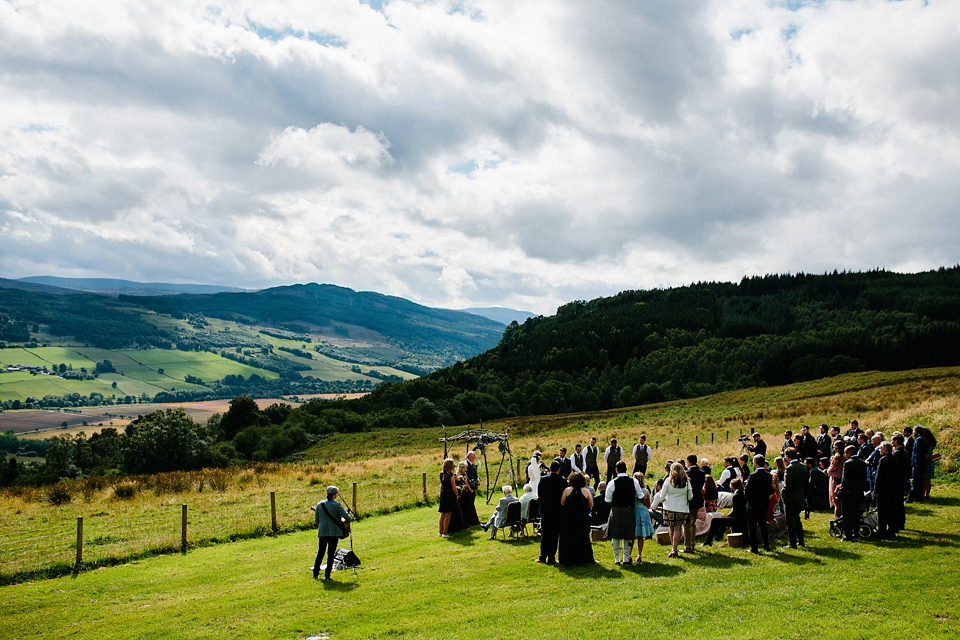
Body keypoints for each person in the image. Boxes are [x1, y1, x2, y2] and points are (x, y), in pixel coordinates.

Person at [604, 460, 642, 564]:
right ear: (626, 469)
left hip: (616, 510)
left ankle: (617, 559)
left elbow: (607, 500)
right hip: (629, 510)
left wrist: (615, 506)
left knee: (615, 535)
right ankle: (626, 559)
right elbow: (641, 495)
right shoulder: (634, 481)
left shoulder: (612, 482)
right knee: (627, 535)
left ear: (616, 470)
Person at [313, 485, 353, 580]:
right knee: (330, 554)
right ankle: (327, 575)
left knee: (320, 553)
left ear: (327, 494)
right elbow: (348, 518)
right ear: (334, 495)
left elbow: (317, 520)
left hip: (322, 532)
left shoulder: (319, 505)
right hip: (334, 533)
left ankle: (315, 573)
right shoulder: (337, 505)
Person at [558, 472, 595, 566]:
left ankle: (566, 558)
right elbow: (590, 504)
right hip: (582, 518)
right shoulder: (586, 491)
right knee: (583, 538)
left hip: (569, 518)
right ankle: (584, 558)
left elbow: (562, 503)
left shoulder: (567, 490)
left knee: (568, 538)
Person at [660, 462, 693, 558]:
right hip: (682, 508)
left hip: (669, 507)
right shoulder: (686, 481)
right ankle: (674, 548)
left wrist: (666, 501)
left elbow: (662, 495)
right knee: (678, 528)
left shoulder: (668, 481)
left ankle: (673, 548)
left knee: (671, 527)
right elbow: (690, 497)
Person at [537, 461, 567, 564]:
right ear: (559, 470)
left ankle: (542, 556)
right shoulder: (563, 481)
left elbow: (539, 494)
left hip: (546, 510)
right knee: (554, 535)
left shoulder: (543, 479)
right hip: (557, 511)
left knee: (545, 534)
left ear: (549, 469)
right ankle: (551, 557)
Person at [704, 478, 746, 545]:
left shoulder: (736, 496)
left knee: (715, 520)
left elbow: (735, 512)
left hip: (737, 520)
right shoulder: (743, 494)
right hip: (743, 518)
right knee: (723, 519)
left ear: (732, 486)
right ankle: (718, 537)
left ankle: (708, 541)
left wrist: (728, 516)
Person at [874, 442, 903, 538]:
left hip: (883, 490)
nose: (879, 450)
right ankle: (892, 530)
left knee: (882, 511)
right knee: (891, 510)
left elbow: (879, 476)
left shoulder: (883, 459)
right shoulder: (894, 459)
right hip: (892, 489)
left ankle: (882, 531)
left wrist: (876, 490)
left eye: (881, 448)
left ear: (885, 449)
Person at [745, 454, 773, 553]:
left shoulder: (752, 476)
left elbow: (747, 491)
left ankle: (754, 547)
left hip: (753, 504)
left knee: (752, 526)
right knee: (763, 524)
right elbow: (770, 490)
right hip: (763, 503)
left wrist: (748, 500)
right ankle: (766, 544)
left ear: (755, 463)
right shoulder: (768, 476)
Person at [781, 448, 808, 549]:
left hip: (790, 498)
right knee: (797, 519)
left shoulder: (790, 468)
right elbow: (806, 484)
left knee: (790, 521)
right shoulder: (803, 467)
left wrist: (782, 492)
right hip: (800, 497)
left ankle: (792, 543)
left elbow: (788, 486)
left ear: (788, 457)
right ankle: (801, 540)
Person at [840, 445, 868, 541]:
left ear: (849, 453)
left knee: (847, 514)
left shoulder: (848, 463)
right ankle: (856, 532)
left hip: (848, 492)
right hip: (858, 491)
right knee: (856, 513)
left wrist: (843, 488)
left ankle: (848, 534)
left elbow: (845, 479)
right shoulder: (862, 463)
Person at [630, 472, 655, 563]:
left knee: (631, 535)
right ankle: (639, 554)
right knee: (641, 535)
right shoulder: (645, 491)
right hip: (643, 511)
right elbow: (648, 504)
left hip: (633, 511)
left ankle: (629, 554)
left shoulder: (631, 491)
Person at [684, 454, 705, 553]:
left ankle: (687, 545)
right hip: (697, 499)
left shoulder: (687, 473)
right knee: (693, 523)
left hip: (688, 500)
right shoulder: (702, 473)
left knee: (687, 523)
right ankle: (692, 543)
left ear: (689, 462)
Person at [438, 458, 458, 537]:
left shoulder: (441, 474)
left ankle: (440, 531)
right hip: (449, 494)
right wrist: (456, 495)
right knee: (448, 514)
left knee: (443, 514)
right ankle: (445, 532)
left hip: (443, 493)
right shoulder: (451, 475)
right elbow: (454, 487)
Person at [909, 426, 930, 503]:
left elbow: (917, 453)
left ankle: (913, 497)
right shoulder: (924, 439)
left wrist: (916, 462)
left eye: (914, 431)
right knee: (920, 481)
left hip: (918, 464)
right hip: (922, 463)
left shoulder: (919, 440)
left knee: (915, 481)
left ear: (917, 432)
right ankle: (919, 496)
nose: (913, 432)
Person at [457, 460, 480, 527]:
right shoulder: (463, 475)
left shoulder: (458, 474)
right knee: (470, 507)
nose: (466, 469)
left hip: (462, 493)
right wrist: (471, 490)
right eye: (465, 467)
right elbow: (466, 483)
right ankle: (472, 521)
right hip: (466, 493)